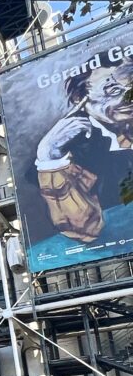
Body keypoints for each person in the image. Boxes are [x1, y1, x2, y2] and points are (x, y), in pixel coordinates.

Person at [29, 49, 133, 266]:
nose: (127, 97)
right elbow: (84, 229)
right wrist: (50, 159)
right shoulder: (73, 150)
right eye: (112, 89)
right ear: (80, 98)